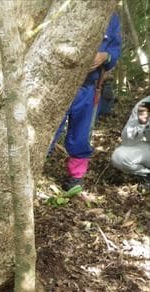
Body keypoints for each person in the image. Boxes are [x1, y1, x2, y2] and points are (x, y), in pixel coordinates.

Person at [50, 13, 122, 190]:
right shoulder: (69, 8)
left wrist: (104, 56)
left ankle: (75, 178)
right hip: (58, 83)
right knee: (50, 128)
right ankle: (31, 171)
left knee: (81, 133)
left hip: (88, 87)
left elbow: (115, 50)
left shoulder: (110, 17)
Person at [111, 97, 150, 191]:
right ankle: (147, 174)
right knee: (119, 156)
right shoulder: (145, 104)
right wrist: (141, 123)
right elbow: (127, 142)